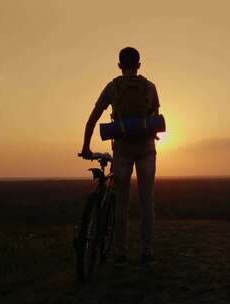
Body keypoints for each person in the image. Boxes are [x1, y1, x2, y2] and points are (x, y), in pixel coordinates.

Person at [80, 47, 160, 266]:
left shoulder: (113, 87)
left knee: (121, 203)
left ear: (119, 65)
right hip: (146, 149)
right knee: (146, 202)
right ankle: (147, 253)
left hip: (122, 149)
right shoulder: (150, 87)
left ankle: (121, 254)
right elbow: (155, 119)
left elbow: (93, 118)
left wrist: (86, 146)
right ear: (139, 65)